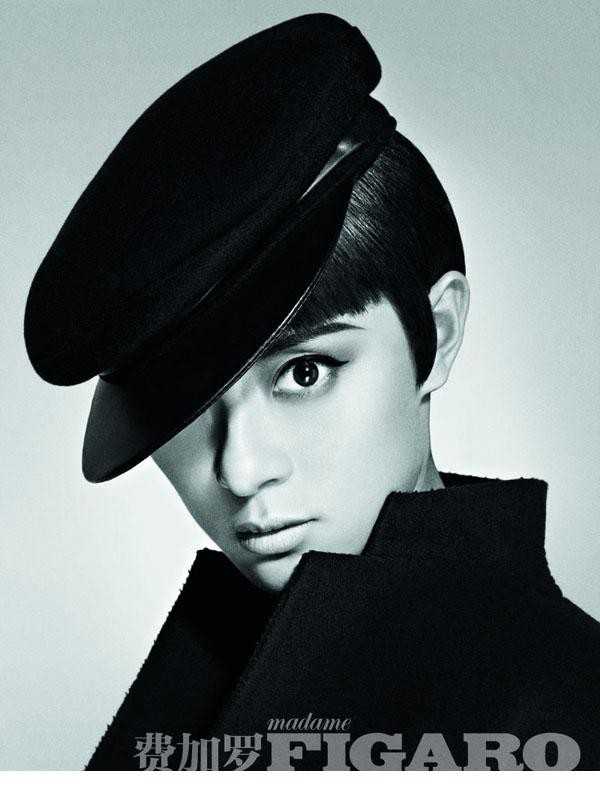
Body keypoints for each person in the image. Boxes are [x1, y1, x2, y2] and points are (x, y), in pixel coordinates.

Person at [24, 13, 600, 771]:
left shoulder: (565, 713)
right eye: (188, 404)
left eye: (305, 373)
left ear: (438, 333)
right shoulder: (205, 683)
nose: (241, 470)